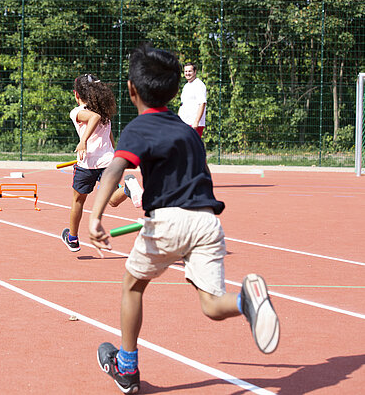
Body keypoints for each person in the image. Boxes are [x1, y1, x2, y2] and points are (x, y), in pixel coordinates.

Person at [89, 44, 279, 394]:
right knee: (211, 304)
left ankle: (127, 368)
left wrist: (96, 216)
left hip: (168, 222)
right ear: (176, 90)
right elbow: (203, 173)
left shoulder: (138, 128)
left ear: (132, 90)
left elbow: (115, 168)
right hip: (207, 221)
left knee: (132, 286)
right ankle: (245, 301)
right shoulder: (189, 132)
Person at [61, 73, 143, 253]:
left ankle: (72, 238)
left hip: (88, 164)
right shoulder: (103, 111)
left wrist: (83, 141)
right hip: (108, 161)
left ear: (77, 94)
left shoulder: (77, 112)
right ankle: (127, 188)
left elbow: (93, 119)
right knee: (113, 200)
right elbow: (110, 136)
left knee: (78, 200)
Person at [178, 62, 206, 138]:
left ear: (195, 72)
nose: (187, 73)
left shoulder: (199, 85)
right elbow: (182, 104)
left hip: (193, 124)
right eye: (185, 71)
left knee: (192, 148)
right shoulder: (186, 86)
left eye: (189, 71)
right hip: (184, 123)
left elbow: (202, 104)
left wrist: (196, 122)